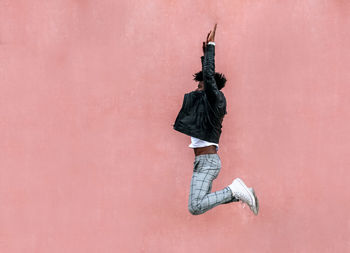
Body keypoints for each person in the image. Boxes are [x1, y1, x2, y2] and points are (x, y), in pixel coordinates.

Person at [173, 24, 259, 216]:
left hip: (207, 161)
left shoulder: (216, 98)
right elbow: (207, 77)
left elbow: (209, 77)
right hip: (203, 161)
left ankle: (234, 190)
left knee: (195, 207)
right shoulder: (209, 103)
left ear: (209, 86)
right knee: (198, 205)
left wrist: (211, 46)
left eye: (200, 85)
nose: (196, 89)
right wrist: (204, 57)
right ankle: (238, 194)